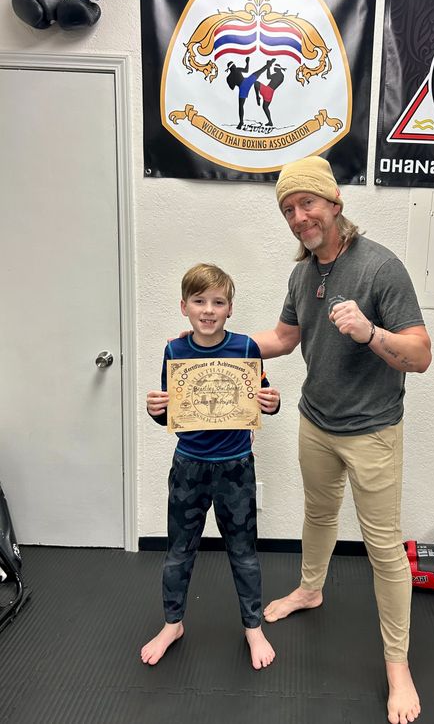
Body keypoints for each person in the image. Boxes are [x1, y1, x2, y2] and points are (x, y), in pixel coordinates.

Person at [252, 156, 431, 724]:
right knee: (318, 516)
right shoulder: (303, 274)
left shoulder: (381, 267)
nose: (299, 216)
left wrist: (370, 331)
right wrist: (210, 339)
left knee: (384, 551)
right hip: (315, 423)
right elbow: (283, 338)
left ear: (334, 203)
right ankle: (310, 589)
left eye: (307, 203)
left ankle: (397, 667)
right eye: (288, 209)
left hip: (373, 431)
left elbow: (421, 356)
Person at [141, 263, 280, 670]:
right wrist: (155, 411)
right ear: (184, 306)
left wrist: (273, 404)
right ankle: (172, 624)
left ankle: (253, 627)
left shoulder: (247, 350)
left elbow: (262, 399)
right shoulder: (174, 350)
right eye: (199, 301)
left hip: (235, 467)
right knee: (179, 553)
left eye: (217, 302)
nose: (208, 310)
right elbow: (171, 413)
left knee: (244, 552)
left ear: (230, 309)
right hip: (189, 466)